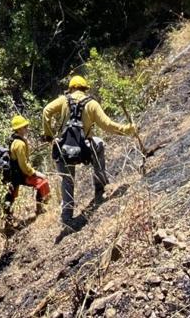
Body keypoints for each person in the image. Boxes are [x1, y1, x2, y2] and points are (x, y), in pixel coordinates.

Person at [42, 76, 137, 226]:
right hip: (83, 150)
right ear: (85, 89)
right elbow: (107, 125)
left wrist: (49, 136)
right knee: (99, 144)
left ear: (71, 88)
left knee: (67, 180)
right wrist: (127, 130)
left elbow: (46, 111)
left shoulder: (63, 100)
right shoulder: (92, 103)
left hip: (63, 150)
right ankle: (100, 186)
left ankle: (67, 218)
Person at [3, 115, 51, 216]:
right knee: (42, 181)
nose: (27, 128)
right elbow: (24, 166)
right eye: (25, 126)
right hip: (20, 175)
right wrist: (35, 173)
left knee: (10, 197)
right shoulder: (19, 144)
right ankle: (39, 209)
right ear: (19, 129)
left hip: (14, 174)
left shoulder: (14, 140)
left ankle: (8, 222)